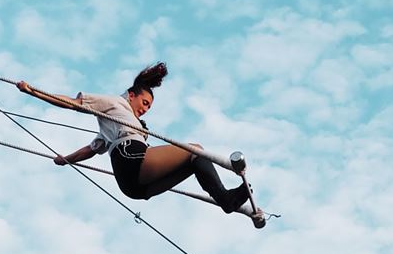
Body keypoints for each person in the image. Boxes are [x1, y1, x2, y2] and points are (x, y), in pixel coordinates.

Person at [17, 62, 257, 215]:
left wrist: (64, 160)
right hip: (132, 160)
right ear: (131, 95)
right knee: (195, 150)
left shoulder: (114, 127)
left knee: (193, 162)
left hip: (134, 187)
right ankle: (226, 199)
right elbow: (73, 103)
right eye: (143, 103)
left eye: (149, 108)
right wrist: (33, 91)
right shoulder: (114, 103)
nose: (144, 110)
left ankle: (227, 199)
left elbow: (90, 150)